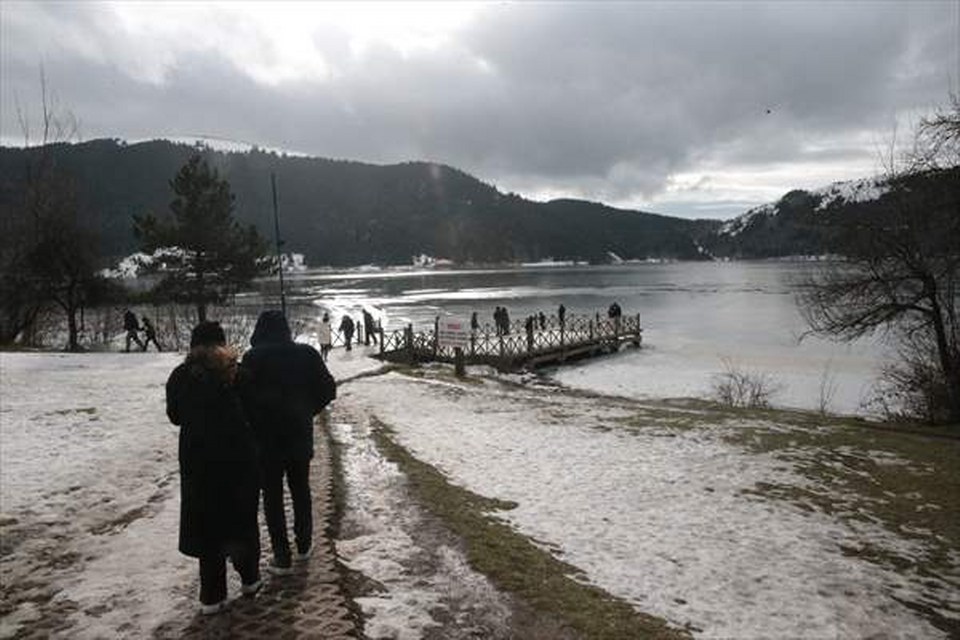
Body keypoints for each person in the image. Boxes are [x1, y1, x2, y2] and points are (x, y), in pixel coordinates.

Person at [165, 321, 262, 615]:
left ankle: (212, 595)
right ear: (222, 343)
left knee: (207, 528)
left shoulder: (181, 377)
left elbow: (175, 416)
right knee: (242, 522)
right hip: (238, 460)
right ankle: (250, 579)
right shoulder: (237, 373)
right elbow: (255, 412)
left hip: (199, 462)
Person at [240, 311, 336, 573]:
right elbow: (329, 389)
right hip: (298, 434)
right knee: (300, 490)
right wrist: (308, 410)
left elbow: (243, 398)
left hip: (265, 441)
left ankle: (282, 556)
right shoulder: (306, 354)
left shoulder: (252, 358)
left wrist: (256, 420)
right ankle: (304, 545)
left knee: (272, 497)